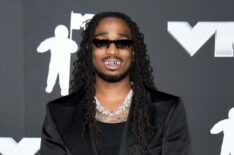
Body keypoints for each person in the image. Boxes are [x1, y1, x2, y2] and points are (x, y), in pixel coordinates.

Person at [39, 11, 192, 155]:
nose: (112, 51)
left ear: (133, 51)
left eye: (122, 43)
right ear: (89, 48)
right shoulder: (59, 113)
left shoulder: (166, 111)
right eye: (102, 42)